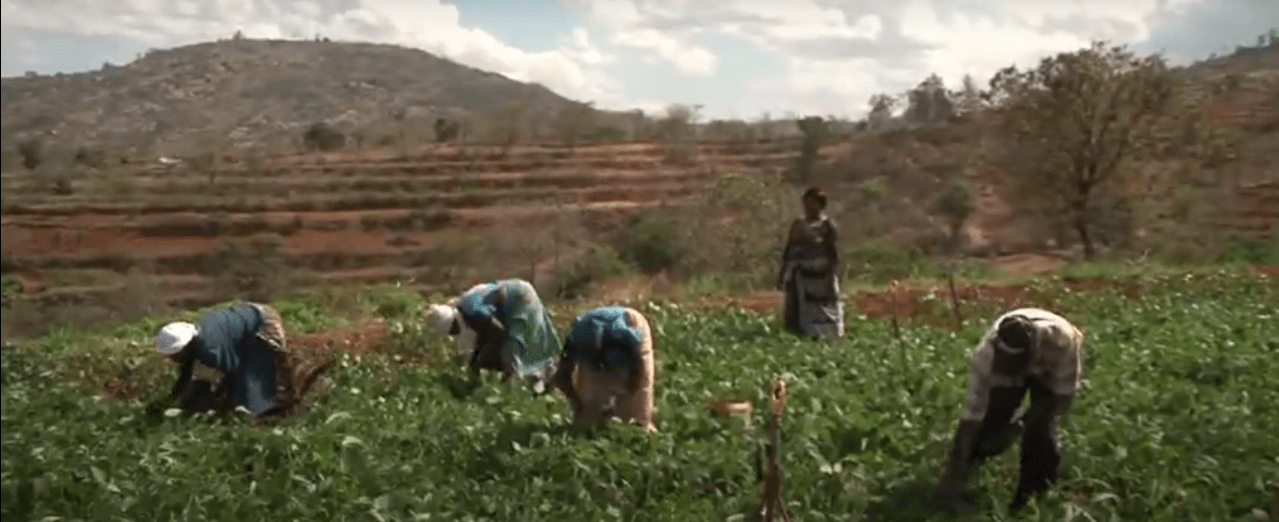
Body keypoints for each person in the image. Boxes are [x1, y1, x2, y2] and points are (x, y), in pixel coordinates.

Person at [935, 307, 1085, 513]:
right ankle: (962, 477)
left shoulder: (1061, 342)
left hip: (1050, 369)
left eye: (1014, 368)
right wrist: (956, 467)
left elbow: (1061, 395)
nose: (1011, 374)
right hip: (1009, 366)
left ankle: (1032, 500)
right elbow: (972, 416)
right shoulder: (986, 357)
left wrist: (1022, 424)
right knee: (990, 422)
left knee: (1041, 430)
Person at [153, 301, 305, 419]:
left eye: (173, 355)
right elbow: (186, 373)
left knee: (254, 386)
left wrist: (226, 402)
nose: (171, 359)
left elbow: (233, 370)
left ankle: (272, 408)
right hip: (246, 314)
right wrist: (172, 399)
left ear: (182, 348)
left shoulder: (209, 349)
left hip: (262, 323)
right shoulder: (196, 340)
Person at [426, 278, 561, 387]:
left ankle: (516, 388)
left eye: (453, 331)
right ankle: (536, 377)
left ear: (455, 322)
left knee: (513, 345)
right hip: (513, 294)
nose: (454, 334)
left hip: (520, 297)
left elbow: (498, 331)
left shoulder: (473, 312)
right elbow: (485, 333)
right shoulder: (465, 309)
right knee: (505, 349)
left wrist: (481, 359)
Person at [550, 306, 657, 432]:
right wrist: (579, 403)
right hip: (590, 327)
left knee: (638, 407)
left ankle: (641, 430)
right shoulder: (578, 339)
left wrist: (624, 397)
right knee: (588, 416)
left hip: (630, 322)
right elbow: (561, 377)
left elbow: (638, 374)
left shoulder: (628, 338)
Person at [777, 187, 844, 339]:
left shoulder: (828, 226)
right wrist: (783, 274)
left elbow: (834, 253)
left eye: (811, 203)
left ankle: (828, 333)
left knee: (825, 305)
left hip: (823, 274)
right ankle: (802, 332)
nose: (807, 207)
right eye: (806, 203)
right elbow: (789, 250)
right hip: (801, 274)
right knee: (799, 305)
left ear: (820, 205)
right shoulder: (798, 226)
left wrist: (833, 273)